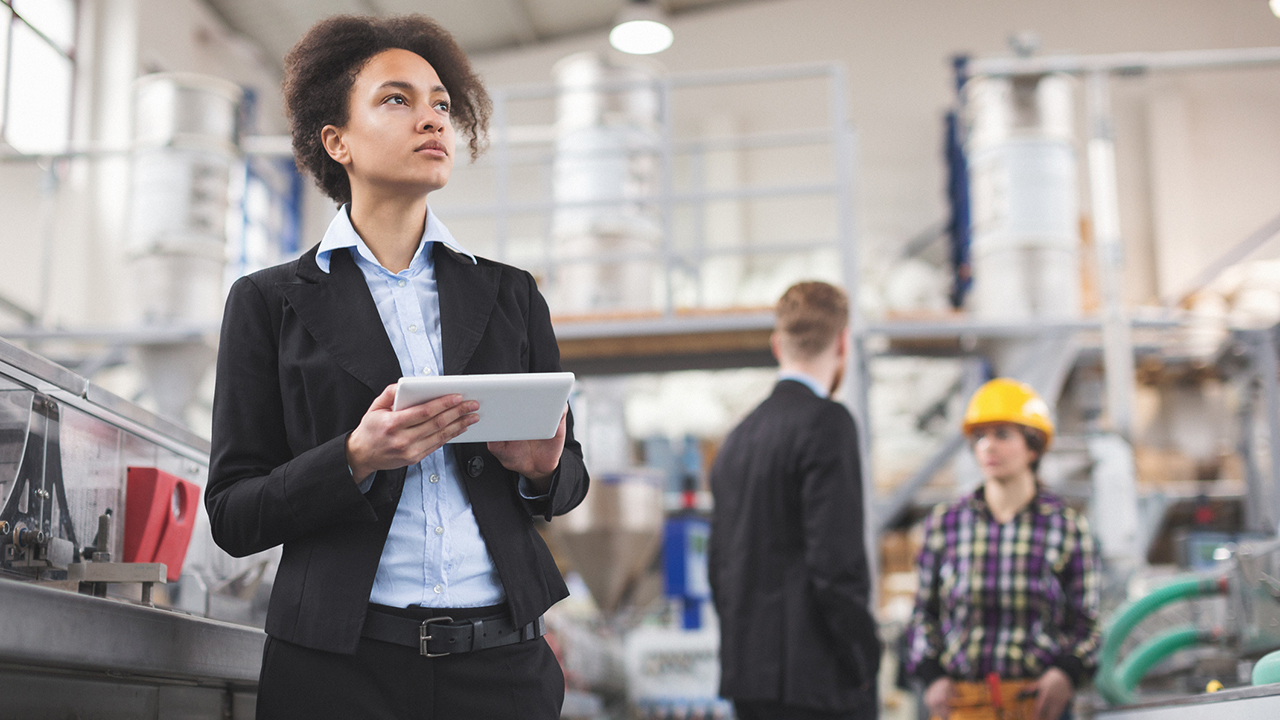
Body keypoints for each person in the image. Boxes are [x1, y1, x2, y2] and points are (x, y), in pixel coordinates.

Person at [204, 15, 588, 719]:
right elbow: (233, 512)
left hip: (501, 668)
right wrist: (351, 458)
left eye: (441, 103)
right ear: (336, 141)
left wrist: (539, 468)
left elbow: (567, 485)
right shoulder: (268, 303)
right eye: (397, 99)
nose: (432, 119)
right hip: (338, 673)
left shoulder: (511, 295)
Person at [708, 281, 882, 720]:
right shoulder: (829, 423)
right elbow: (835, 564)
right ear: (842, 342)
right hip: (818, 682)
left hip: (749, 682)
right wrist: (865, 657)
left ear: (777, 344)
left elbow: (719, 569)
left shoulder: (737, 439)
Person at [904, 378, 1101, 720]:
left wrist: (1067, 673)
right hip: (962, 703)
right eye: (980, 436)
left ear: (1033, 447)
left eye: (1002, 435)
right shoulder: (947, 524)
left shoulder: (1065, 527)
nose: (988, 447)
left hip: (1037, 702)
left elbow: (1088, 623)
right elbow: (924, 614)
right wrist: (931, 677)